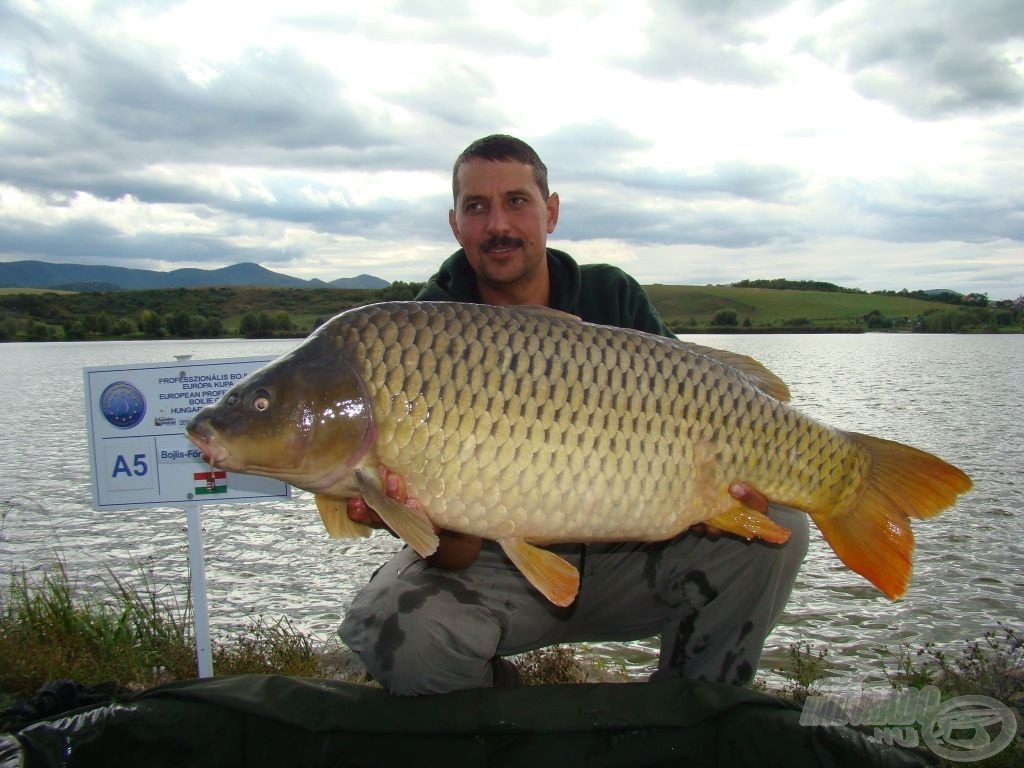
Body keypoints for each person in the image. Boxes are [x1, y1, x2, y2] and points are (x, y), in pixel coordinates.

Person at [339, 134, 808, 695]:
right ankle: (498, 718)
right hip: (495, 564)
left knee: (778, 529)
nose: (497, 225)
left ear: (550, 211)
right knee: (393, 624)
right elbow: (453, 553)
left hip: (632, 557)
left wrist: (708, 498)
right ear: (455, 222)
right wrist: (403, 511)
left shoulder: (613, 299)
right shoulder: (414, 336)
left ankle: (694, 713)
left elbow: (702, 410)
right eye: (476, 207)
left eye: (516, 201)